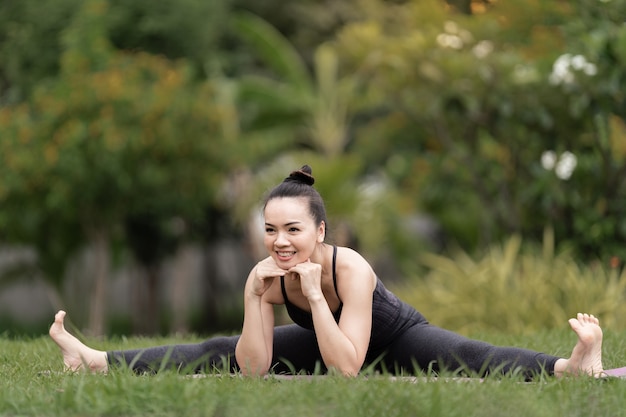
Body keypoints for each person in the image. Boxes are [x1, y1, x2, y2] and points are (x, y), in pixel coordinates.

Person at [49, 165, 605, 379]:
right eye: (271, 229)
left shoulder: (352, 269)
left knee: (468, 356)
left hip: (394, 337)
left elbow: (348, 371)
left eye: (293, 230)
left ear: (320, 232)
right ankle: (94, 358)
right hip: (329, 339)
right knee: (215, 346)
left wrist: (316, 298)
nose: (280, 241)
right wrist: (253, 299)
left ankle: (573, 366)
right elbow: (252, 371)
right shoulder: (263, 273)